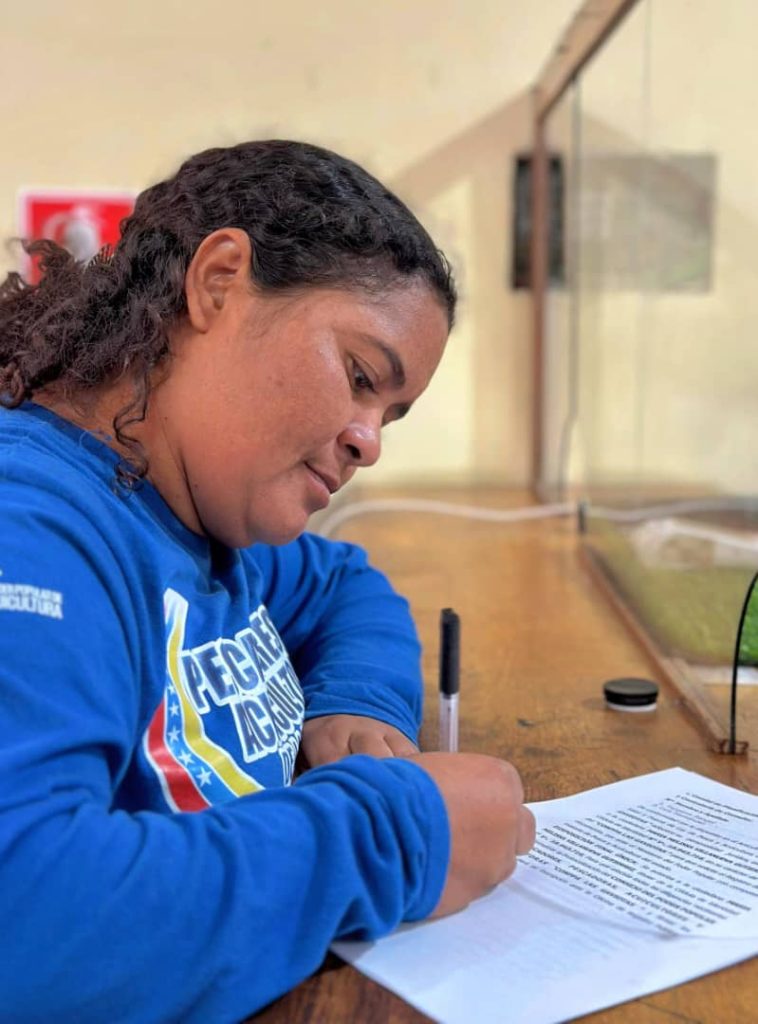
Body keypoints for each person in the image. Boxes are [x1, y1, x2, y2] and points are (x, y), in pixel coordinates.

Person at [0, 139, 535, 1022]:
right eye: (360, 376)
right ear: (218, 283)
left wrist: (356, 702)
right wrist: (392, 836)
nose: (369, 442)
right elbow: (26, 920)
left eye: (390, 415)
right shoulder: (34, 527)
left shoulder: (201, 512)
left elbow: (343, 586)